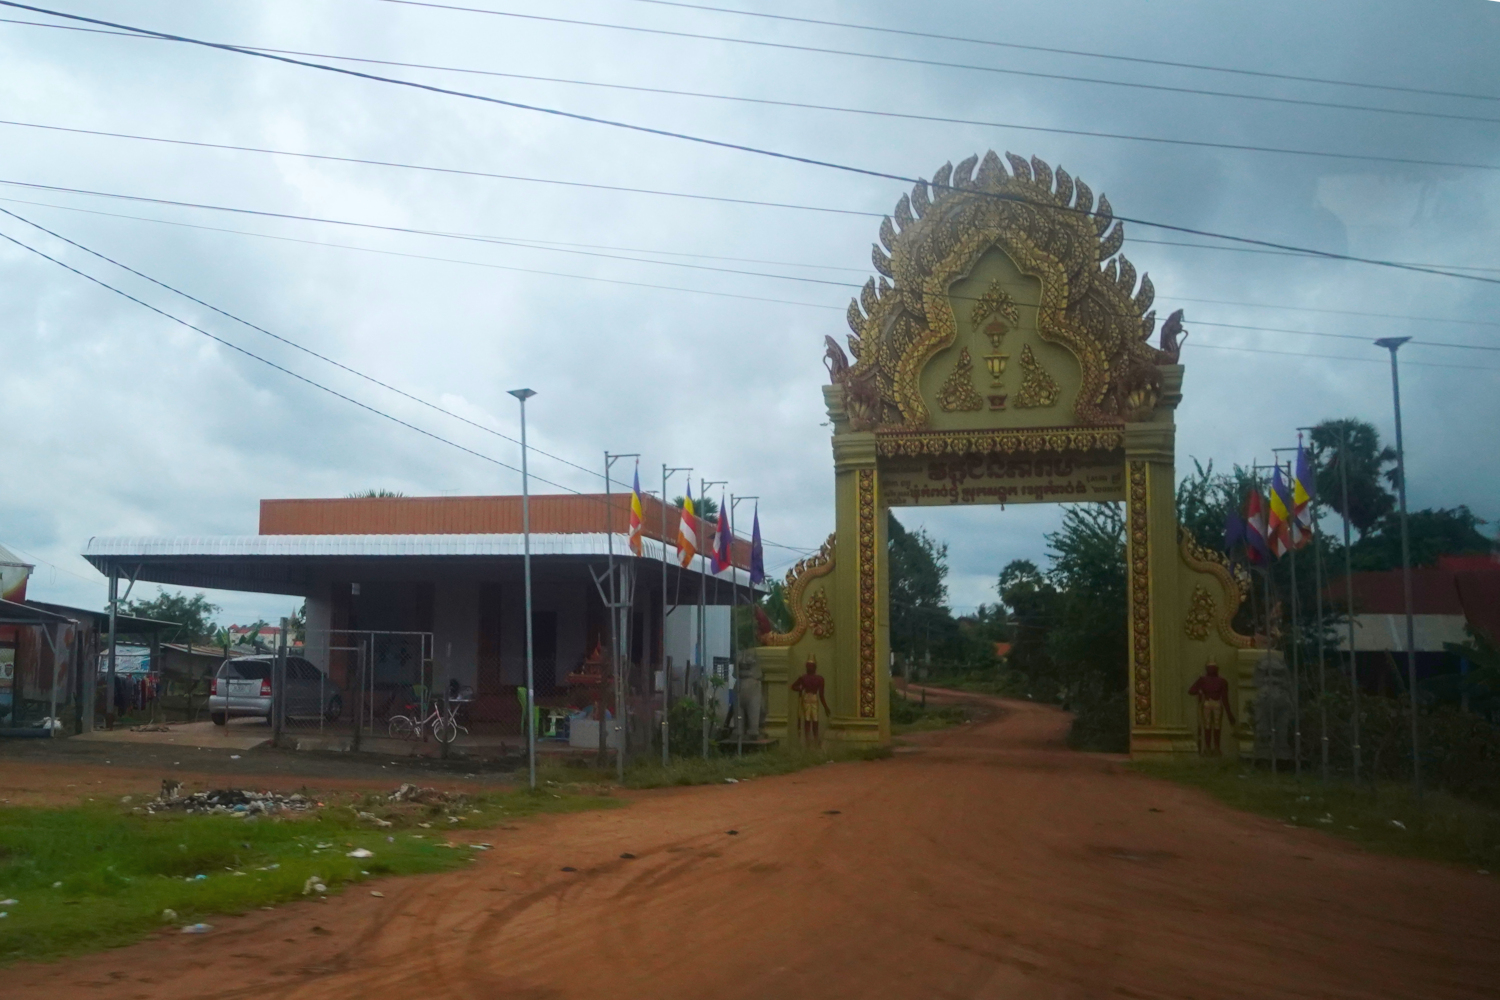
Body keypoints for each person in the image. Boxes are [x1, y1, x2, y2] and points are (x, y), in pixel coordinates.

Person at [1188, 659, 1236, 755]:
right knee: (1207, 725)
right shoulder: (1202, 680)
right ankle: (1208, 747)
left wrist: (1229, 713)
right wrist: (1199, 691)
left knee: (1217, 726)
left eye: (1213, 668)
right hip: (1207, 703)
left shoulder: (1222, 681)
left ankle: (1217, 747)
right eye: (1210, 668)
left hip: (1217, 703)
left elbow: (1225, 698)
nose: (1212, 670)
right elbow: (1191, 690)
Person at [788, 655, 830, 745]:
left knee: (815, 719)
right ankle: (807, 739)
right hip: (806, 699)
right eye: (808, 665)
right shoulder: (803, 678)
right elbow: (793, 686)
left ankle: (815, 738)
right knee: (807, 719)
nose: (809, 667)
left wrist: (826, 707)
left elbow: (821, 695)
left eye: (811, 666)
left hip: (814, 699)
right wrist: (800, 689)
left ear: (815, 667)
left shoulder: (819, 679)